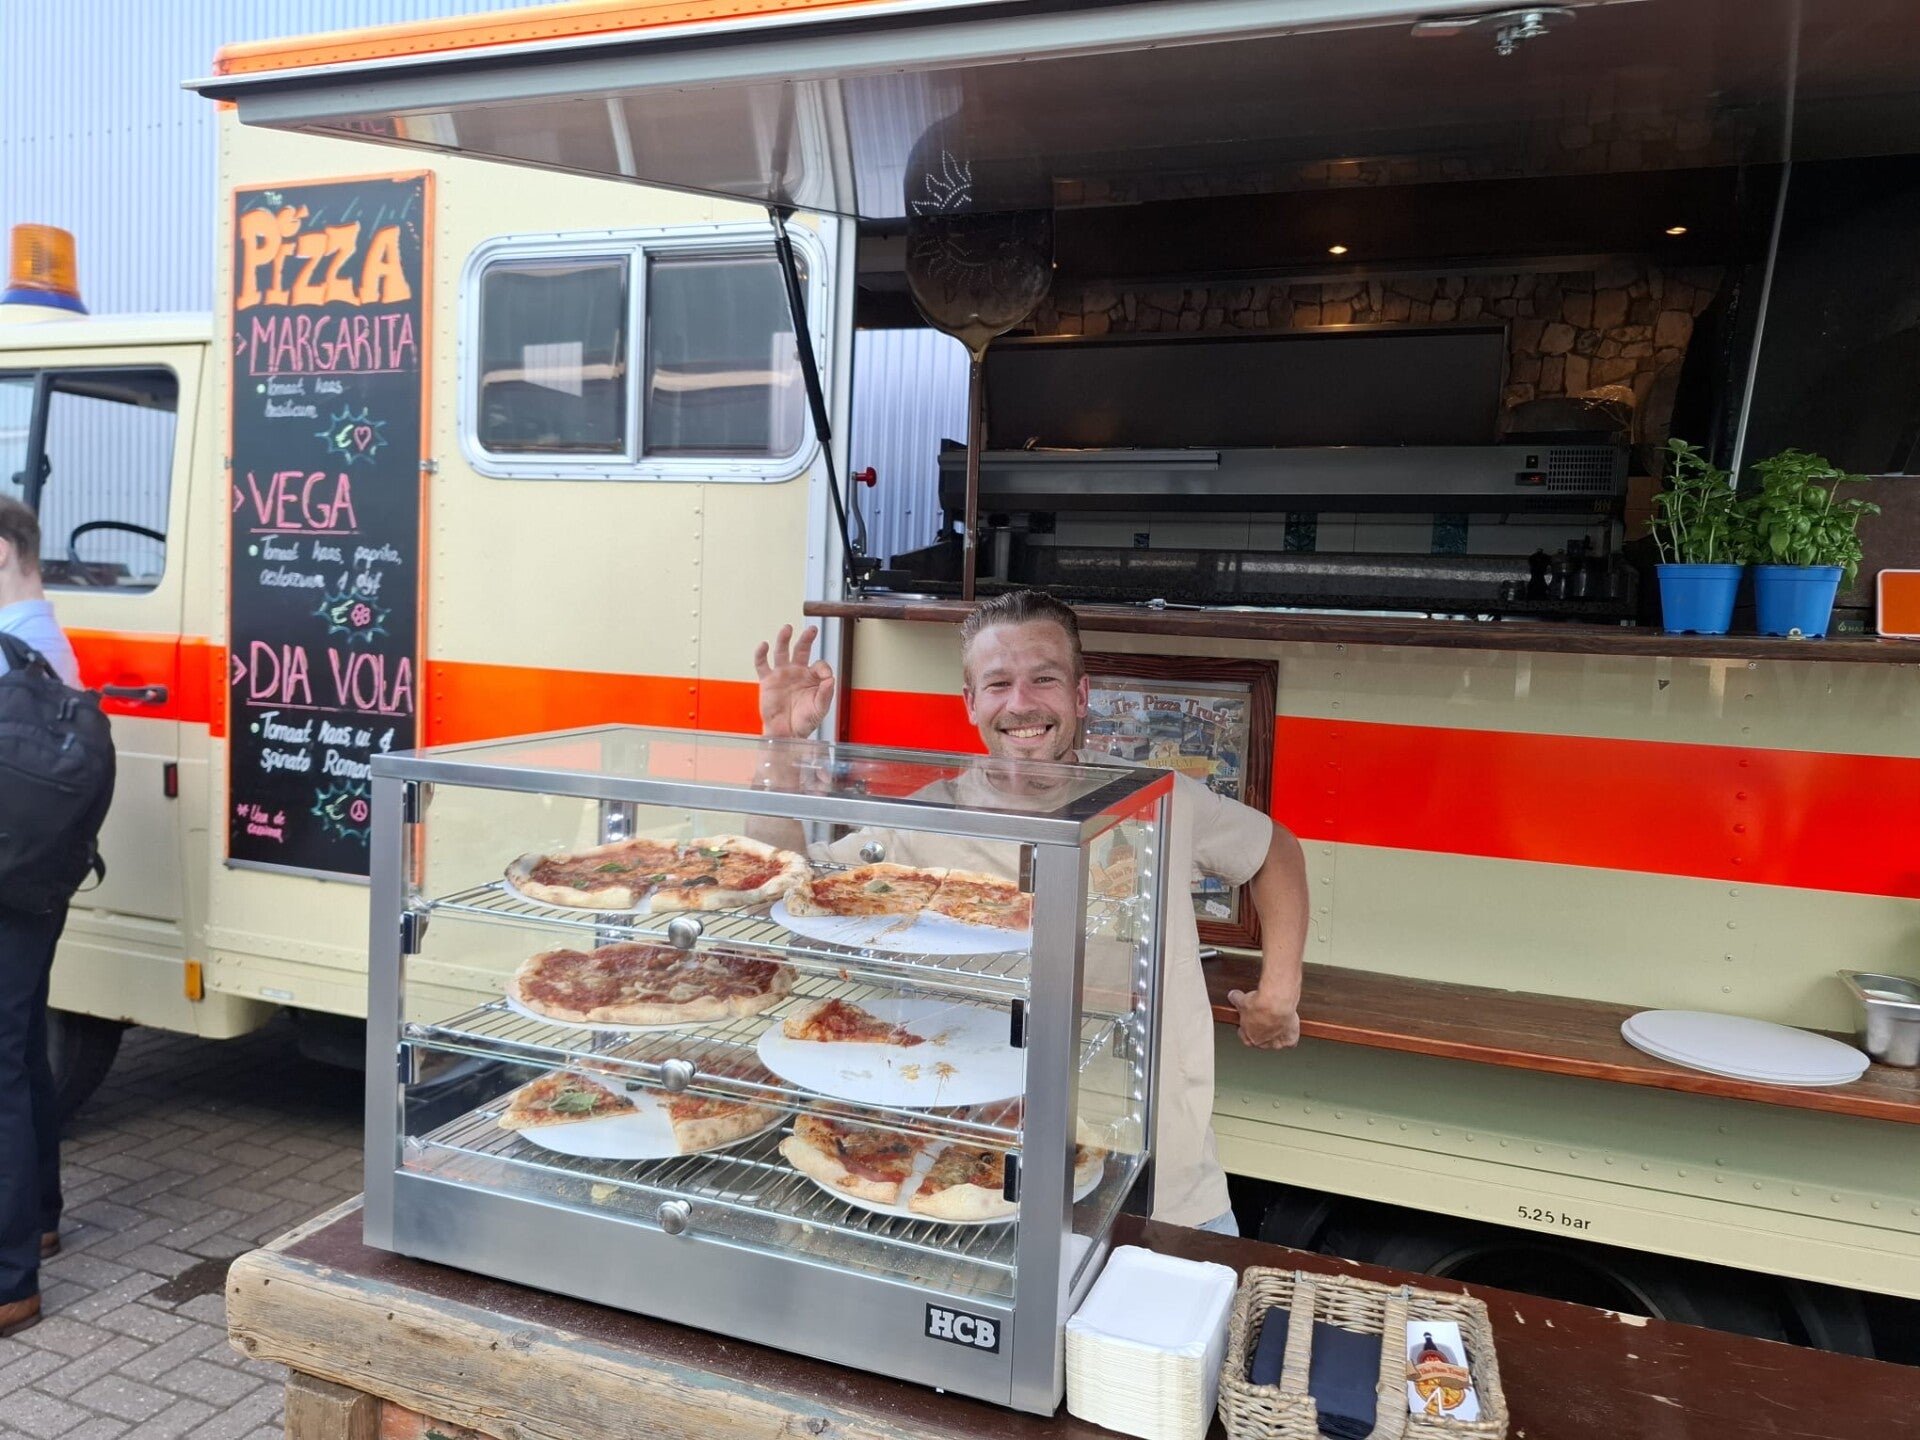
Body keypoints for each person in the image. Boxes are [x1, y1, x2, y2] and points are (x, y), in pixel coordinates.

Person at [752, 590, 1308, 1235]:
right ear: (970, 702)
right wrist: (780, 748)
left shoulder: (1159, 800)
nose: (1021, 703)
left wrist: (1279, 991)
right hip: (972, 1164)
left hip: (1159, 1172)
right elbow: (782, 885)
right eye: (997, 684)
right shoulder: (920, 821)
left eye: (1044, 679)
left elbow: (1273, 851)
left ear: (1080, 694)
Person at [0, 494, 83, 1337]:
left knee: (2, 1074)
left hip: (8, 885)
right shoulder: (49, 640)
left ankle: (8, 1280)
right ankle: (42, 1218)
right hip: (40, 882)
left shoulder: (7, 651)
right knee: (22, 1053)